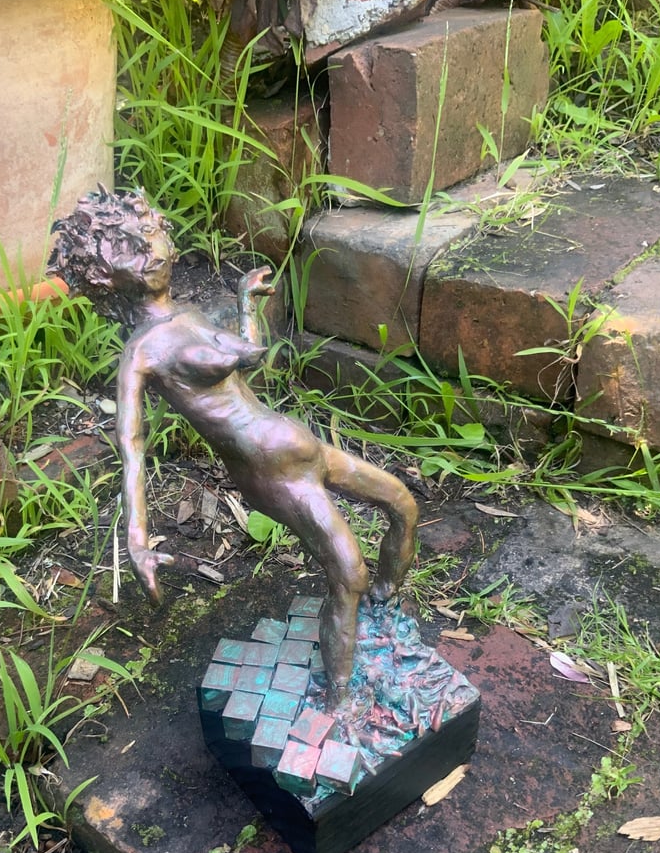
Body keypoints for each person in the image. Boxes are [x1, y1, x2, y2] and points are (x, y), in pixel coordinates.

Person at [49, 187, 419, 707]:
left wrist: (246, 300)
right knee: (348, 570)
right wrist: (137, 542)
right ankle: (341, 698)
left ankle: (382, 604)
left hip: (301, 445)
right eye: (130, 248)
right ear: (105, 275)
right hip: (272, 472)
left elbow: (249, 355)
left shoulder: (191, 315)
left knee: (403, 503)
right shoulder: (142, 353)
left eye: (149, 235)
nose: (150, 253)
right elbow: (131, 448)